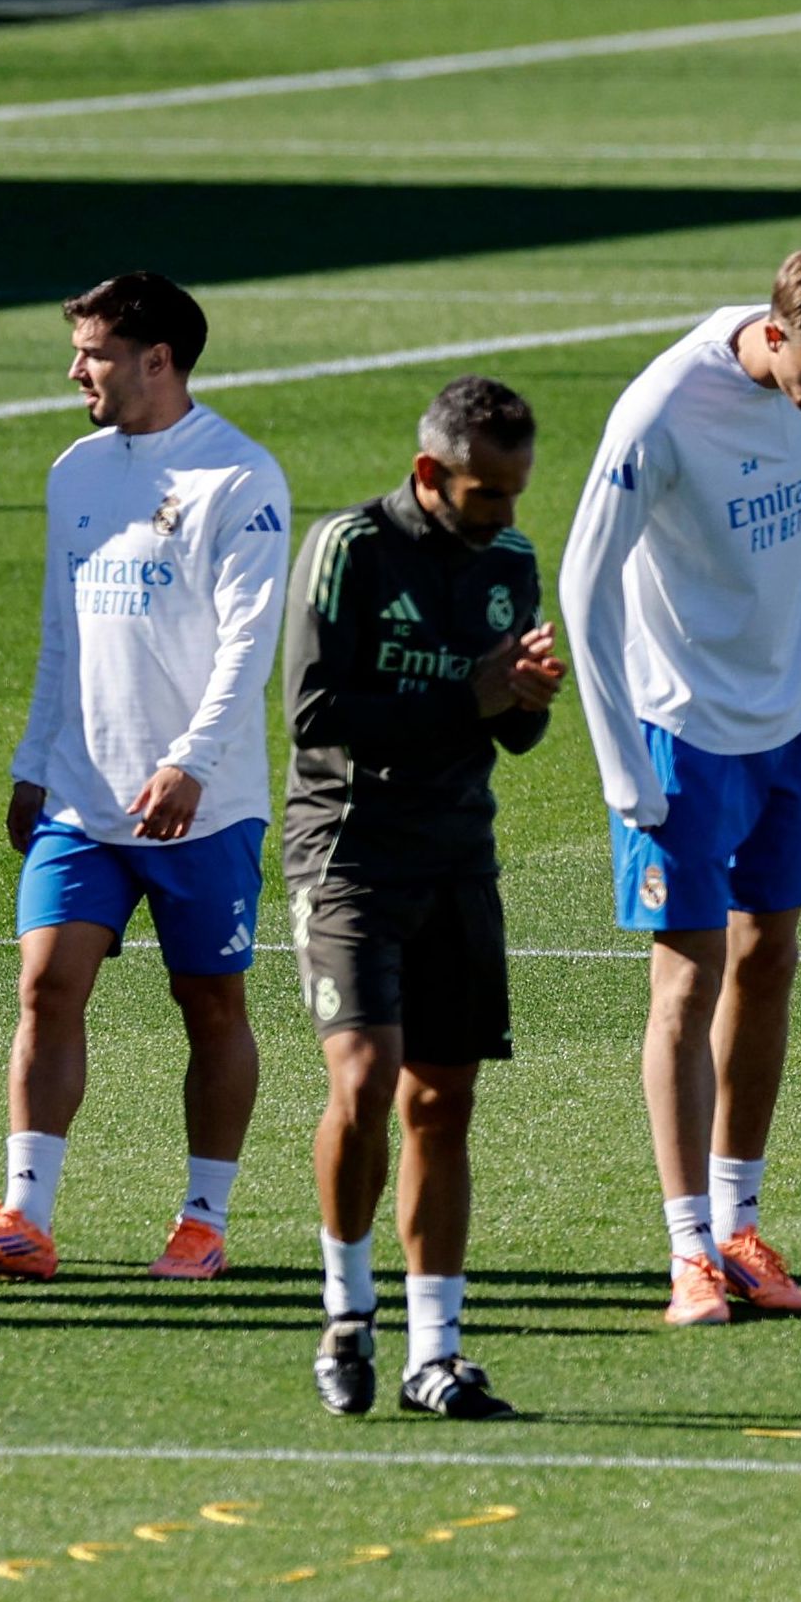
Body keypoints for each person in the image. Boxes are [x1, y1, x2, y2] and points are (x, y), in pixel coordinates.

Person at [0, 276, 289, 1284]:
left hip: (202, 806)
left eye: (92, 351)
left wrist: (190, 763)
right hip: (82, 798)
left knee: (210, 1005)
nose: (75, 369)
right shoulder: (74, 472)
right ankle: (24, 1219)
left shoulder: (238, 476)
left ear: (157, 361)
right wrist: (31, 763)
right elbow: (62, 632)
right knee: (45, 988)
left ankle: (202, 1221)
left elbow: (245, 647)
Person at [567, 247, 801, 1326]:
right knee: (686, 980)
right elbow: (582, 578)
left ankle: (742, 1227)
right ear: (777, 334)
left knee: (769, 958)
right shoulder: (666, 407)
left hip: (783, 722)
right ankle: (687, 1253)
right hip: (680, 736)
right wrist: (618, 757)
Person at [283, 376, 562, 1420]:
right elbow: (315, 713)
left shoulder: (511, 562)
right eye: (487, 492)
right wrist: (470, 693)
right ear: (428, 474)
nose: (505, 513)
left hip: (457, 857)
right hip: (350, 853)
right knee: (364, 1080)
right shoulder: (352, 548)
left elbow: (512, 733)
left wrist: (526, 699)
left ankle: (434, 1354)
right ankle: (347, 1315)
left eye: (516, 490)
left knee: (444, 1104)